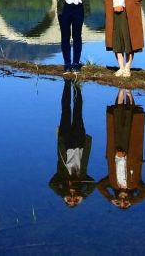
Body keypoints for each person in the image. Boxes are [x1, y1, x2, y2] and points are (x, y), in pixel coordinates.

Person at [97, 88, 145, 209]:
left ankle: (121, 91)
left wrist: (111, 198)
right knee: (131, 121)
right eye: (125, 202)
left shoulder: (113, 183)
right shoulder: (134, 185)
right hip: (131, 149)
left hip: (115, 149)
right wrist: (133, 201)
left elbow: (99, 186)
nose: (122, 199)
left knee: (117, 122)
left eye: (120, 202)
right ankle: (129, 93)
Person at [48, 78, 95, 207]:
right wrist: (83, 196)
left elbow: (51, 184)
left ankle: (67, 83)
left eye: (70, 200)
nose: (72, 197)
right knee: (78, 111)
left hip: (66, 142)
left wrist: (63, 194)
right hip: (80, 142)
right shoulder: (83, 179)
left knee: (66, 109)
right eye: (75, 200)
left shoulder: (62, 177)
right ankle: (77, 85)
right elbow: (94, 184)